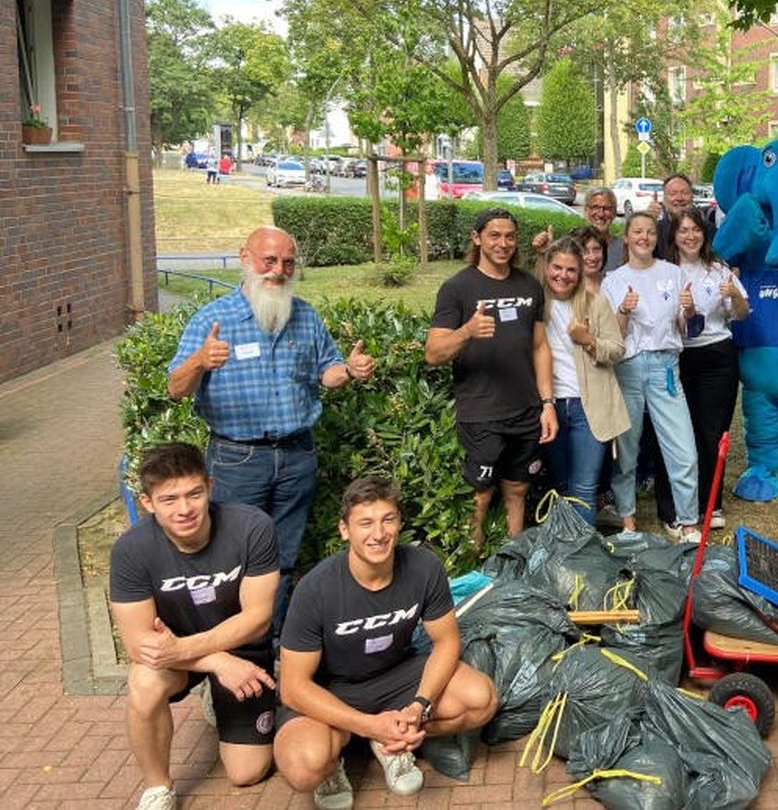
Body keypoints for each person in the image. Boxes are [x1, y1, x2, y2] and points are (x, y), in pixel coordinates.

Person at [167, 226, 376, 633]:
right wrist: (198, 362)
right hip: (236, 460)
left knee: (282, 557)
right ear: (245, 258)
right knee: (231, 557)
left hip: (297, 455)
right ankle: (230, 646)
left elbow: (326, 373)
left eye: (288, 262)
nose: (278, 270)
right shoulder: (213, 319)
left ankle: (272, 642)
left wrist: (349, 370)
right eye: (269, 260)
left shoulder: (305, 315)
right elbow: (175, 388)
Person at [273, 478, 498, 807]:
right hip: (332, 688)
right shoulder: (316, 588)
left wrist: (419, 706)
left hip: (395, 677)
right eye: (365, 523)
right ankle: (336, 761)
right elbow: (293, 687)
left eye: (387, 519)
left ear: (399, 523)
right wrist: (368, 725)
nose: (378, 534)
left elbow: (447, 642)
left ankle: (391, 743)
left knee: (482, 699)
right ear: (344, 529)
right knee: (305, 767)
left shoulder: (423, 567)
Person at [110, 443, 280, 810]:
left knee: (246, 772)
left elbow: (257, 619)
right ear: (147, 502)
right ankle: (158, 788)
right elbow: (141, 646)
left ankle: (216, 698)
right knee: (143, 681)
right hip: (176, 661)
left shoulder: (252, 527)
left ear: (211, 487)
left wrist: (193, 650)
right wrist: (217, 662)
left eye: (193, 494)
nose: (184, 509)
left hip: (240, 650)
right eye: (169, 499)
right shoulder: (130, 550)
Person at [426, 208, 558, 542]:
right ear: (477, 238)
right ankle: (473, 561)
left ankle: (515, 555)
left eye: (510, 236)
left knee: (517, 488)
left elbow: (540, 347)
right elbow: (434, 353)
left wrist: (547, 403)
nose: (503, 243)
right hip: (482, 412)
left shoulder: (529, 284)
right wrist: (467, 331)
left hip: (526, 409)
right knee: (480, 494)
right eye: (494, 235)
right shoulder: (456, 288)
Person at [601, 211, 704, 540]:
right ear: (626, 237)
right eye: (637, 232)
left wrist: (688, 310)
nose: (643, 237)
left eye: (649, 232)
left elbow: (682, 328)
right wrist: (623, 311)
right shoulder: (613, 280)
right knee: (627, 449)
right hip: (628, 368)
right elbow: (613, 335)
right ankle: (627, 519)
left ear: (656, 238)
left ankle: (688, 521)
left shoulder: (672, 274)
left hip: (665, 368)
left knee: (683, 449)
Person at [539, 236, 630, 524]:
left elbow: (616, 350)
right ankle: (563, 551)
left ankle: (583, 558)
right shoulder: (537, 305)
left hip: (587, 407)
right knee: (560, 487)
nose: (562, 276)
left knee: (584, 488)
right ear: (546, 268)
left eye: (571, 270)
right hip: (549, 406)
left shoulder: (596, 304)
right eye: (557, 267)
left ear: (580, 274)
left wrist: (588, 340)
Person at [671, 208, 750, 528]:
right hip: (678, 356)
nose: (690, 236)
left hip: (717, 357)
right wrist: (686, 312)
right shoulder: (666, 270)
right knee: (681, 433)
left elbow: (742, 313)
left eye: (695, 230)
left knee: (712, 431)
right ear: (673, 236)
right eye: (683, 230)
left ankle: (712, 504)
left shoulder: (718, 270)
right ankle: (685, 502)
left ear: (705, 234)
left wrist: (734, 294)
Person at [533, 187, 624, 270]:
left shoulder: (625, 249)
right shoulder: (570, 244)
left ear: (615, 212)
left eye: (607, 208)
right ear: (586, 210)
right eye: (595, 207)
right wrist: (544, 253)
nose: (601, 214)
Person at [573, 225, 611, 295]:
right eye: (585, 251)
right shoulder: (568, 289)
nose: (592, 257)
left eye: (596, 249)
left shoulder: (613, 284)